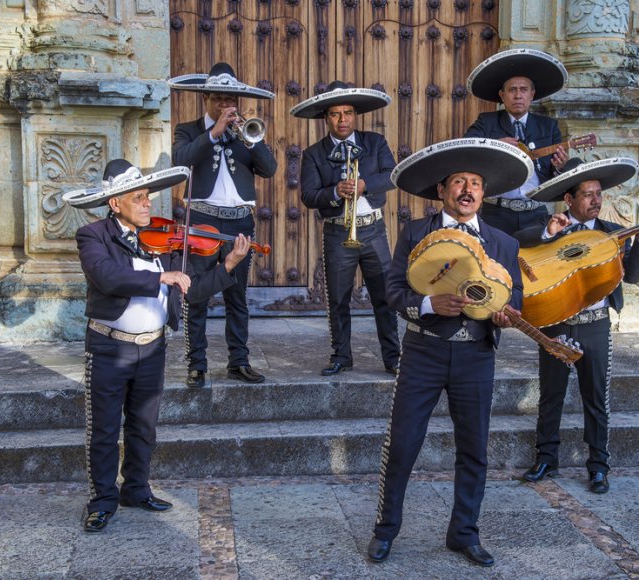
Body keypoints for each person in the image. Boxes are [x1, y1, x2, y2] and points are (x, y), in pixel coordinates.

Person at [368, 138, 532, 567]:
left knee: (475, 447)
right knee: (403, 444)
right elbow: (392, 292)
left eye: (475, 183)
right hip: (424, 351)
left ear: (483, 193)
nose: (467, 189)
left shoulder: (503, 244)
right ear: (441, 190)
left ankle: (464, 533)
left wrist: (505, 316)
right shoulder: (416, 232)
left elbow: (516, 301)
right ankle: (385, 531)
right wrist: (427, 304)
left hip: (476, 356)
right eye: (459, 181)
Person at [63, 159, 249, 532]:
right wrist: (160, 276)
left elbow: (190, 288)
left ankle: (135, 488)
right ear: (115, 203)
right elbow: (107, 276)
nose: (148, 204)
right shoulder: (93, 236)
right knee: (103, 428)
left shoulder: (161, 239)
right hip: (108, 347)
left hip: (152, 347)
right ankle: (102, 500)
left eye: (148, 197)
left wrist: (227, 265)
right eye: (139, 198)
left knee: (143, 425)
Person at [513, 157, 639, 494]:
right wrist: (548, 234)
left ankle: (598, 467)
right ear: (569, 199)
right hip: (556, 321)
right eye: (587, 194)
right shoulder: (551, 226)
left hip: (595, 324)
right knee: (551, 395)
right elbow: (517, 241)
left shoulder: (612, 234)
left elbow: (634, 277)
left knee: (595, 398)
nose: (595, 200)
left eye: (599, 194)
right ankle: (547, 458)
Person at [169, 62, 278, 386]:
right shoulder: (188, 130)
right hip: (201, 217)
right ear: (206, 100)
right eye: (218, 99)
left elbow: (269, 169)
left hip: (239, 222)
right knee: (197, 293)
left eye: (230, 99)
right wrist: (213, 133)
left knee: (236, 295)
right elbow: (180, 158)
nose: (225, 106)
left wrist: (252, 141)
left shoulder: (246, 132)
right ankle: (197, 364)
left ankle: (238, 361)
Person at [291, 81, 400, 376]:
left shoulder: (374, 142)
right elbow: (308, 196)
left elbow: (392, 175)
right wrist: (335, 191)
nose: (342, 120)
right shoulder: (314, 153)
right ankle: (341, 355)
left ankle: (393, 357)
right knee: (338, 298)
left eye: (348, 113)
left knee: (384, 296)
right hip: (338, 231)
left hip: (373, 229)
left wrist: (364, 184)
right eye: (336, 114)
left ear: (355, 115)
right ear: (327, 117)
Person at [464, 48, 569, 235]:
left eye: (523, 90)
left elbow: (555, 176)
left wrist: (560, 167)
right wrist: (496, 145)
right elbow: (467, 148)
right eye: (512, 90)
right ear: (502, 96)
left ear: (532, 94)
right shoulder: (486, 122)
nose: (518, 95)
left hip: (536, 213)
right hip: (496, 213)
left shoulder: (549, 126)